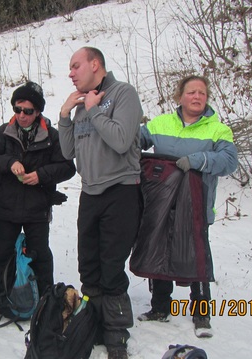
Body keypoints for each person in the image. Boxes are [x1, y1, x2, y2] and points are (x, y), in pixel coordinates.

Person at [134, 75, 238, 337]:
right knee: (159, 249)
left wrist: (198, 159)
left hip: (196, 207)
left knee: (197, 257)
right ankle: (160, 307)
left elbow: (229, 161)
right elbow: (134, 142)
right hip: (161, 203)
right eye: (191, 92)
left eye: (202, 93)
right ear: (180, 97)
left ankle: (201, 314)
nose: (197, 97)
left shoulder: (217, 130)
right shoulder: (160, 124)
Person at [58, 47, 143, 359]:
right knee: (89, 265)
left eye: (75, 65)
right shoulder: (82, 105)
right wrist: (65, 115)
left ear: (95, 64)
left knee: (111, 266)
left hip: (120, 191)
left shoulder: (123, 94)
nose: (71, 73)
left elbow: (121, 140)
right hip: (90, 193)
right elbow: (68, 153)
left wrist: (94, 110)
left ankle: (116, 333)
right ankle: (94, 324)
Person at [0, 81, 76, 321]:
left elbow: (68, 167)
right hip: (5, 207)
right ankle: (0, 301)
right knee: (2, 255)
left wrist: (41, 176)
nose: (21, 115)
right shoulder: (4, 132)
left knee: (40, 255)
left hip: (37, 208)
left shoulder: (51, 136)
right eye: (17, 109)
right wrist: (9, 163)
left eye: (28, 111)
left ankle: (45, 302)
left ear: (38, 111)